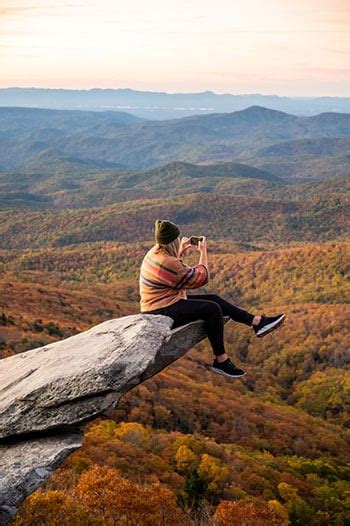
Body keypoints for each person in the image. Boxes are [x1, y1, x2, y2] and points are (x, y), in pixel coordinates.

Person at [139, 219, 285, 379]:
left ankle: (256, 322)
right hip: (160, 310)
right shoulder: (167, 262)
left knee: (214, 299)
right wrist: (203, 252)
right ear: (173, 241)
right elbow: (201, 277)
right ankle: (221, 360)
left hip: (161, 303)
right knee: (211, 309)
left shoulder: (155, 253)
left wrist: (180, 252)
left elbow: (173, 272)